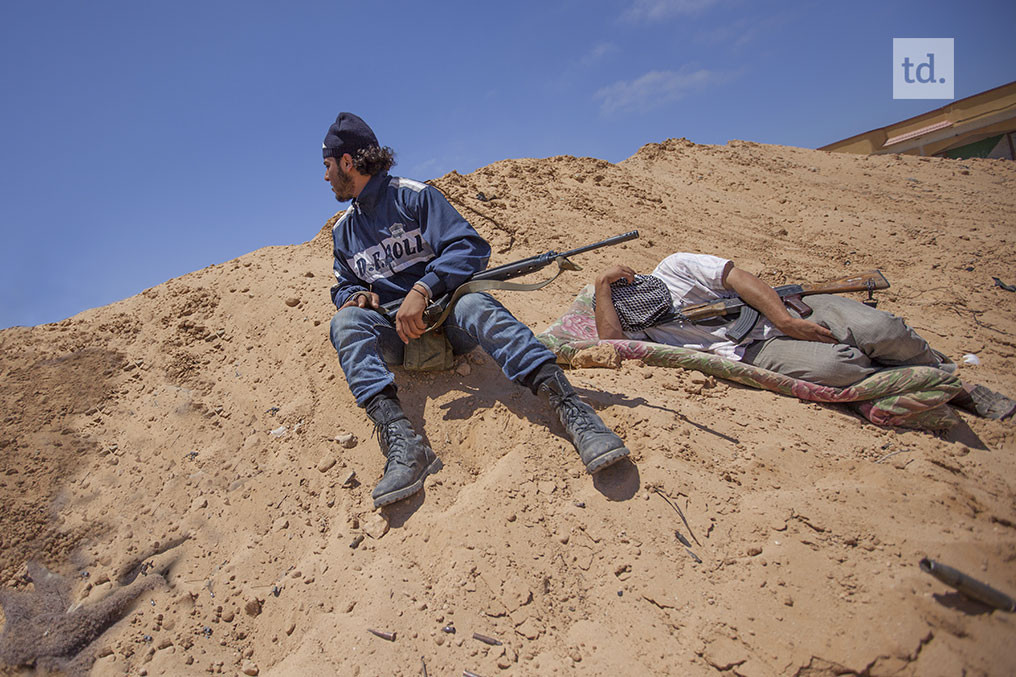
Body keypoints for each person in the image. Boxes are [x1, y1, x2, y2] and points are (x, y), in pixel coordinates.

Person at [322, 112, 630, 508]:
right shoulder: (343, 231)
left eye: (328, 165)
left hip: (451, 322)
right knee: (345, 321)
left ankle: (572, 409)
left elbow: (470, 248)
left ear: (348, 162)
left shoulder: (415, 197)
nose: (325, 176)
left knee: (473, 302)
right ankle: (403, 444)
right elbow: (343, 282)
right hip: (396, 337)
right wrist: (355, 296)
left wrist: (424, 287)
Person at [593, 252, 1016, 420]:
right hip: (756, 349)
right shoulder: (646, 330)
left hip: (787, 311)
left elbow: (740, 279)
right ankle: (914, 382)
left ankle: (953, 381)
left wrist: (788, 320)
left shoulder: (676, 267)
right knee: (838, 366)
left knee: (880, 329)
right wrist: (601, 287)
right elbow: (610, 343)